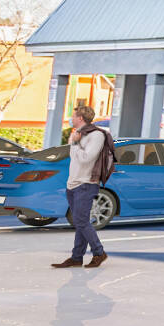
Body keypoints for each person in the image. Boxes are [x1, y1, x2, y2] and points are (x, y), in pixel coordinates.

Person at [55, 101, 116, 270]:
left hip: (86, 183)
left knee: (81, 221)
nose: (71, 119)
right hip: (73, 183)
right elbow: (74, 157)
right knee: (79, 222)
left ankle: (99, 252)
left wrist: (75, 143)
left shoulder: (97, 135)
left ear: (80, 118)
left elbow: (86, 158)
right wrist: (75, 142)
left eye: (73, 116)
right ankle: (76, 258)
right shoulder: (77, 134)